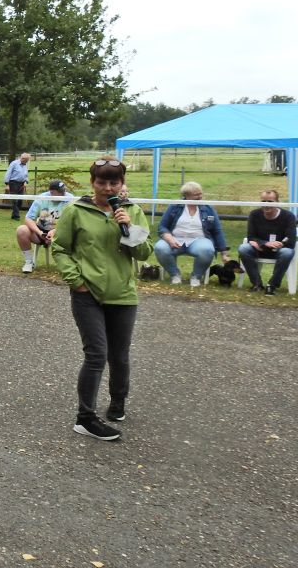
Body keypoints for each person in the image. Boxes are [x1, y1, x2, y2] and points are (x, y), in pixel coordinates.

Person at [52, 157, 153, 442]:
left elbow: (144, 253)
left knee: (119, 355)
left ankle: (118, 402)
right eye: (101, 182)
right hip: (88, 294)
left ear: (122, 184)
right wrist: (76, 281)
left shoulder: (132, 211)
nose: (107, 188)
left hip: (123, 294)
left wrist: (129, 228)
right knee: (96, 354)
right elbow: (60, 248)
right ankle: (85, 418)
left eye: (113, 182)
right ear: (92, 182)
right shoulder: (76, 211)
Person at [153, 181, 230, 287]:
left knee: (207, 250)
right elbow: (162, 226)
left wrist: (224, 253)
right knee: (160, 248)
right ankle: (174, 274)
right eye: (196, 195)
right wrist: (169, 238)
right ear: (186, 196)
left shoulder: (208, 208)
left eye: (200, 193)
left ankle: (196, 276)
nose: (200, 197)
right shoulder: (175, 206)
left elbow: (217, 230)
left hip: (199, 240)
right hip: (175, 239)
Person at [237, 188, 296, 296]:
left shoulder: (289, 216)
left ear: (277, 202)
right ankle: (257, 284)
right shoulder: (254, 214)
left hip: (280, 250)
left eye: (270, 201)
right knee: (243, 248)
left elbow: (291, 240)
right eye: (263, 201)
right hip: (260, 249)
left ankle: (272, 285)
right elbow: (251, 237)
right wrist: (265, 243)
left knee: (287, 252)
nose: (266, 205)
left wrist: (279, 244)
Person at [15, 180, 72, 273]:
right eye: (59, 192)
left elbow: (71, 222)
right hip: (41, 231)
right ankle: (29, 262)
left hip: (61, 232)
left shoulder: (70, 199)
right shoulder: (42, 198)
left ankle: (70, 264)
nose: (63, 194)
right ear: (51, 192)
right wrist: (40, 233)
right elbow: (29, 218)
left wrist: (55, 232)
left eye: (63, 191)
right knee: (21, 230)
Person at [3, 152, 31, 220]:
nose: (26, 162)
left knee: (20, 201)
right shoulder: (14, 163)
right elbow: (8, 173)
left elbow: (26, 174)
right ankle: (16, 216)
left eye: (27, 160)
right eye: (25, 160)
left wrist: (26, 182)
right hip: (13, 183)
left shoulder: (25, 165)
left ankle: (14, 215)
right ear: (22, 158)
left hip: (21, 184)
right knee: (14, 200)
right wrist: (7, 184)